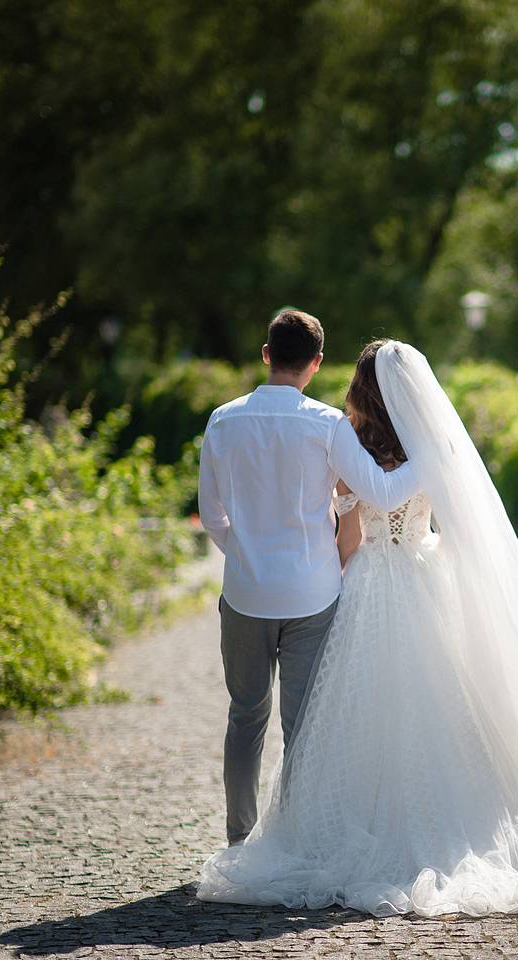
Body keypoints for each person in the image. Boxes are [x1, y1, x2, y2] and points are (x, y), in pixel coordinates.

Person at [197, 339, 518, 917]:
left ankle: (280, 831)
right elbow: (461, 533)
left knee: (325, 717)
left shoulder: (346, 439)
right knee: (444, 712)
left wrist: (330, 570)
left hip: (361, 586)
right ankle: (453, 823)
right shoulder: (438, 449)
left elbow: (348, 540)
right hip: (426, 582)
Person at [196, 311, 420, 848]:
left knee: (245, 718)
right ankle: (294, 840)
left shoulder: (223, 421)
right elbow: (383, 494)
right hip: (313, 595)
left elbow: (210, 516)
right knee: (303, 727)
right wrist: (435, 457)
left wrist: (246, 554)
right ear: (316, 364)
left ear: (266, 354)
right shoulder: (328, 425)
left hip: (246, 594)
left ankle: (239, 839)